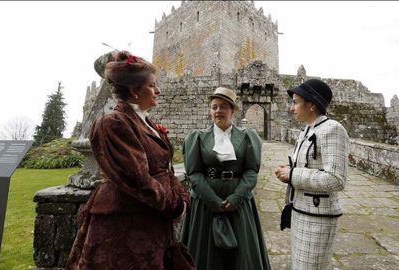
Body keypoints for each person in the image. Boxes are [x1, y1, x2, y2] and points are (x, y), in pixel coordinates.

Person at [66, 51, 191, 270]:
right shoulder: (113, 123)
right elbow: (138, 179)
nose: (158, 90)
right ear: (134, 90)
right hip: (123, 227)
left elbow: (166, 170)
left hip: (152, 224)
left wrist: (182, 198)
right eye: (152, 85)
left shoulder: (148, 123)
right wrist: (175, 206)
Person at [180, 87, 271, 270]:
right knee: (204, 254)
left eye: (223, 106)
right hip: (205, 204)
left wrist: (237, 197)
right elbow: (194, 173)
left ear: (233, 110)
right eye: (214, 107)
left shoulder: (247, 138)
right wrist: (213, 200)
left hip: (238, 203)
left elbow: (251, 171)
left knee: (241, 256)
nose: (217, 111)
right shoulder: (197, 138)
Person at [275, 79, 349, 270]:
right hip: (301, 211)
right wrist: (289, 171)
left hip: (318, 218)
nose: (292, 108)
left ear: (312, 105)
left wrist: (293, 174)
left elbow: (336, 179)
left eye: (295, 102)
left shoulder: (333, 129)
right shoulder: (307, 130)